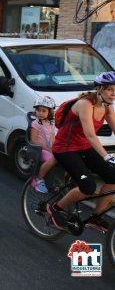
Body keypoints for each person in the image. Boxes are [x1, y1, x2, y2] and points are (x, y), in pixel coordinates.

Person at [46, 72, 115, 232]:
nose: (113, 93)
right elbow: (90, 134)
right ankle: (56, 208)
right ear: (98, 89)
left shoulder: (107, 106)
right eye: (110, 89)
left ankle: (97, 216)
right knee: (88, 187)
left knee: (113, 179)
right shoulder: (85, 104)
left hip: (84, 147)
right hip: (65, 149)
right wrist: (106, 157)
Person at [29, 96, 58, 193]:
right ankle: (38, 179)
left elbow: (53, 139)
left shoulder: (52, 124)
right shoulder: (35, 124)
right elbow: (33, 140)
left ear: (49, 112)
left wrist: (55, 149)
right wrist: (48, 149)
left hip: (49, 150)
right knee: (52, 159)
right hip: (39, 150)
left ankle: (56, 181)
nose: (40, 113)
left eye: (43, 111)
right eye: (38, 110)